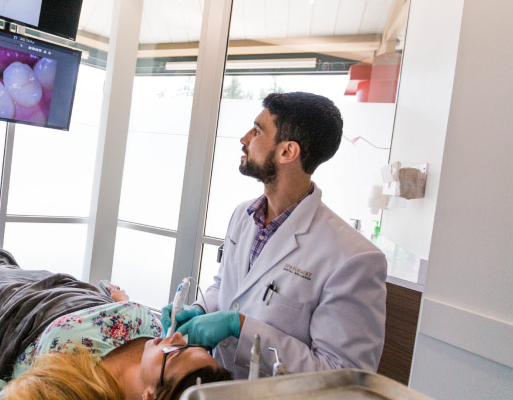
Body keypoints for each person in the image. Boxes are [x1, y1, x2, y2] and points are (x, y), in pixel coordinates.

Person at [163, 92, 387, 379]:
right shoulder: (244, 216)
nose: (244, 139)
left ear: (287, 152)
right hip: (218, 392)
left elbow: (343, 375)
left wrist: (241, 328)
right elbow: (228, 287)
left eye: (257, 131)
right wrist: (199, 308)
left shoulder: (353, 258)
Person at [0, 250, 231, 400]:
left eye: (177, 352)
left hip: (21, 311)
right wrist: (126, 302)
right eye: (192, 344)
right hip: (75, 291)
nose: (178, 337)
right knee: (11, 266)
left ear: (149, 398)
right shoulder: (155, 349)